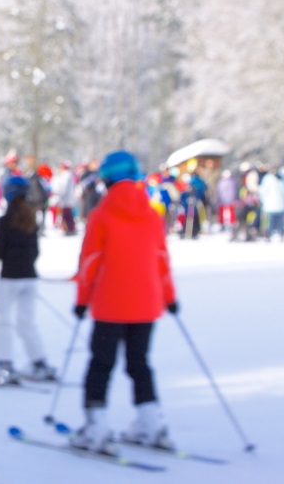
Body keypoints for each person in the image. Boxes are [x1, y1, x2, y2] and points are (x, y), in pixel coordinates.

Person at [69, 150, 178, 456]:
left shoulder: (102, 215)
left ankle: (97, 427)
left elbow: (90, 262)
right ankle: (151, 423)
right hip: (147, 304)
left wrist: (81, 300)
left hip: (110, 305)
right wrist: (170, 298)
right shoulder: (151, 214)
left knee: (101, 364)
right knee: (140, 364)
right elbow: (161, 260)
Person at [0, 176, 57, 384]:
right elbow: (36, 251)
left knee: (2, 321)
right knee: (26, 322)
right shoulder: (32, 219)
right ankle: (40, 363)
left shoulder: (4, 222)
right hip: (30, 278)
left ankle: (4, 364)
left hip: (9, 279)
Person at [258, 167, 284, 241]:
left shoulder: (268, 179)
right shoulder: (281, 179)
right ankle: (279, 234)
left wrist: (263, 201)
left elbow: (263, 191)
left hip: (271, 204)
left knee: (272, 221)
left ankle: (270, 234)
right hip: (277, 204)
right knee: (278, 221)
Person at [50, 162, 78, 235]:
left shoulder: (66, 175)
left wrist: (58, 193)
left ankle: (69, 229)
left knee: (67, 215)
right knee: (68, 215)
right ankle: (69, 228)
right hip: (68, 199)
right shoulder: (70, 175)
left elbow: (63, 188)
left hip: (65, 199)